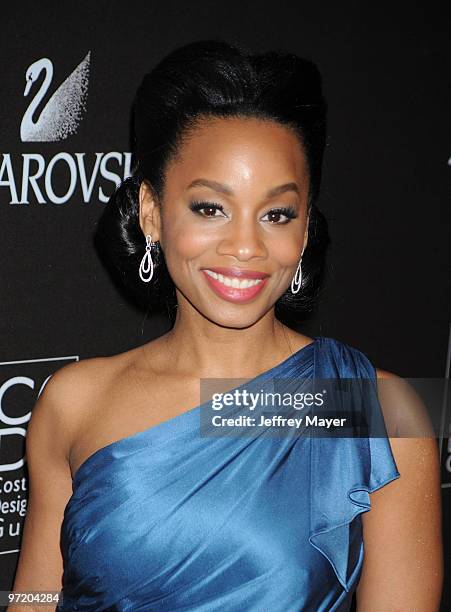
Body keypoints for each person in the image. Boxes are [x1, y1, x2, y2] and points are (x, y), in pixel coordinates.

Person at [10, 40, 443, 611]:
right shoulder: (73, 402)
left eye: (277, 214)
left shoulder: (374, 411)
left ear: (306, 229)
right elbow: (37, 598)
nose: (245, 246)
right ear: (150, 212)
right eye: (210, 207)